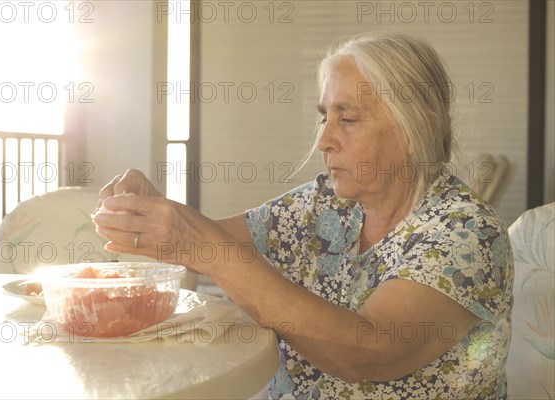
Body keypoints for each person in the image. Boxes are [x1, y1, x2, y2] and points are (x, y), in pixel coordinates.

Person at [92, 32, 513, 399]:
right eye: (324, 117)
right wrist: (154, 213)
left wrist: (206, 249)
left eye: (347, 119)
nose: (325, 140)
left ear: (416, 125)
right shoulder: (326, 204)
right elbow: (207, 241)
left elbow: (365, 353)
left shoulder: (467, 233)